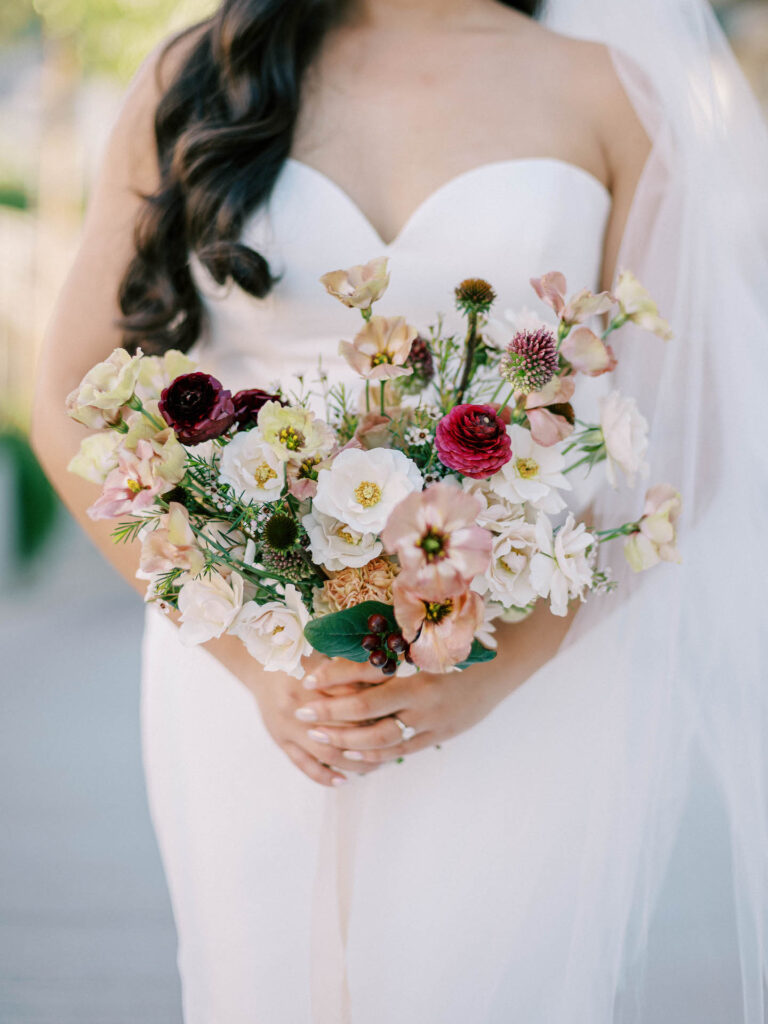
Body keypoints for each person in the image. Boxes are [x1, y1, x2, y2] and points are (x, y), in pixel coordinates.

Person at [31, 0, 768, 1020]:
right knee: (262, 984)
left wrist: (495, 673)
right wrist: (253, 661)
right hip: (261, 671)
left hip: (522, 668)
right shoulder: (197, 75)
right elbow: (65, 391)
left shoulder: (610, 90)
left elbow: (693, 434)